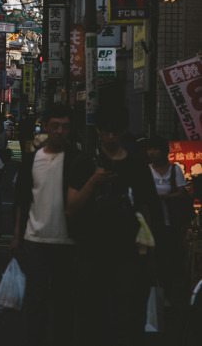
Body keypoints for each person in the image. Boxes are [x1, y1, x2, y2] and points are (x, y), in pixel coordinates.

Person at [67, 106, 162, 346]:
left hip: (128, 252)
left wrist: (151, 251)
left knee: (127, 316)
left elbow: (145, 208)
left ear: (123, 131)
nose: (111, 137)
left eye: (116, 132)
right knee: (91, 316)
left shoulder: (137, 165)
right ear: (98, 130)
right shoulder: (84, 163)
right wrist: (92, 181)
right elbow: (71, 206)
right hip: (91, 250)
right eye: (107, 131)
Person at [11, 102, 80, 346]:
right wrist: (17, 235)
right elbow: (22, 199)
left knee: (65, 302)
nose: (60, 131)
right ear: (46, 127)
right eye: (55, 126)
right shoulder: (32, 160)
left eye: (65, 127)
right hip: (35, 240)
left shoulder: (76, 160)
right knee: (36, 300)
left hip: (67, 240)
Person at [147, 137, 190, 305]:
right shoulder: (147, 170)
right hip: (153, 221)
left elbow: (182, 192)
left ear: (164, 151)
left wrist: (165, 197)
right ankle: (155, 294)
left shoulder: (175, 170)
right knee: (154, 257)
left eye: (155, 149)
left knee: (168, 257)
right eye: (149, 149)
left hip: (171, 221)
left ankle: (167, 294)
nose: (151, 152)